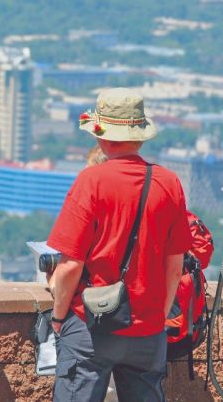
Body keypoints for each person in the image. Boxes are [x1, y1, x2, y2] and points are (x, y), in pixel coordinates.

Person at [47, 88, 192, 402]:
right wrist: (158, 317)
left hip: (92, 325)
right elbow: (175, 265)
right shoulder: (169, 183)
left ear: (102, 138)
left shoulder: (92, 181)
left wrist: (58, 318)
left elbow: (70, 265)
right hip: (149, 330)